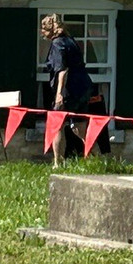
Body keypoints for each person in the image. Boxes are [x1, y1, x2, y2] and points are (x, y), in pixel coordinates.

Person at [40, 13, 93, 166]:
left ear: (51, 30)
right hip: (83, 87)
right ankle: (95, 158)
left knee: (57, 124)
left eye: (43, 29)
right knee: (79, 126)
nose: (42, 32)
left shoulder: (57, 44)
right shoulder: (71, 41)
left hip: (69, 88)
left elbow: (62, 70)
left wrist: (59, 94)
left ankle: (58, 162)